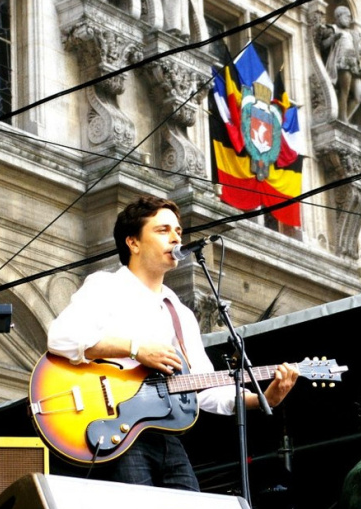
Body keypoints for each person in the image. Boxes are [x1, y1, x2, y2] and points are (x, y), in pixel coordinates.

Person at [46, 195, 298, 490]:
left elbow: (205, 388)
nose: (175, 238)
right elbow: (61, 337)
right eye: (162, 230)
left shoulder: (180, 313)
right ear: (133, 242)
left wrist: (264, 399)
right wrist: (136, 349)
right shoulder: (106, 286)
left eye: (178, 231)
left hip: (165, 432)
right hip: (117, 425)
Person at [319, 6, 361, 124]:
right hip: (342, 62)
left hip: (354, 65)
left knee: (359, 96)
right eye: (347, 17)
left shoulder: (353, 34)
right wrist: (333, 38)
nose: (349, 19)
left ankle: (344, 119)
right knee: (345, 90)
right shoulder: (332, 29)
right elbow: (323, 46)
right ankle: (343, 120)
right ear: (339, 17)